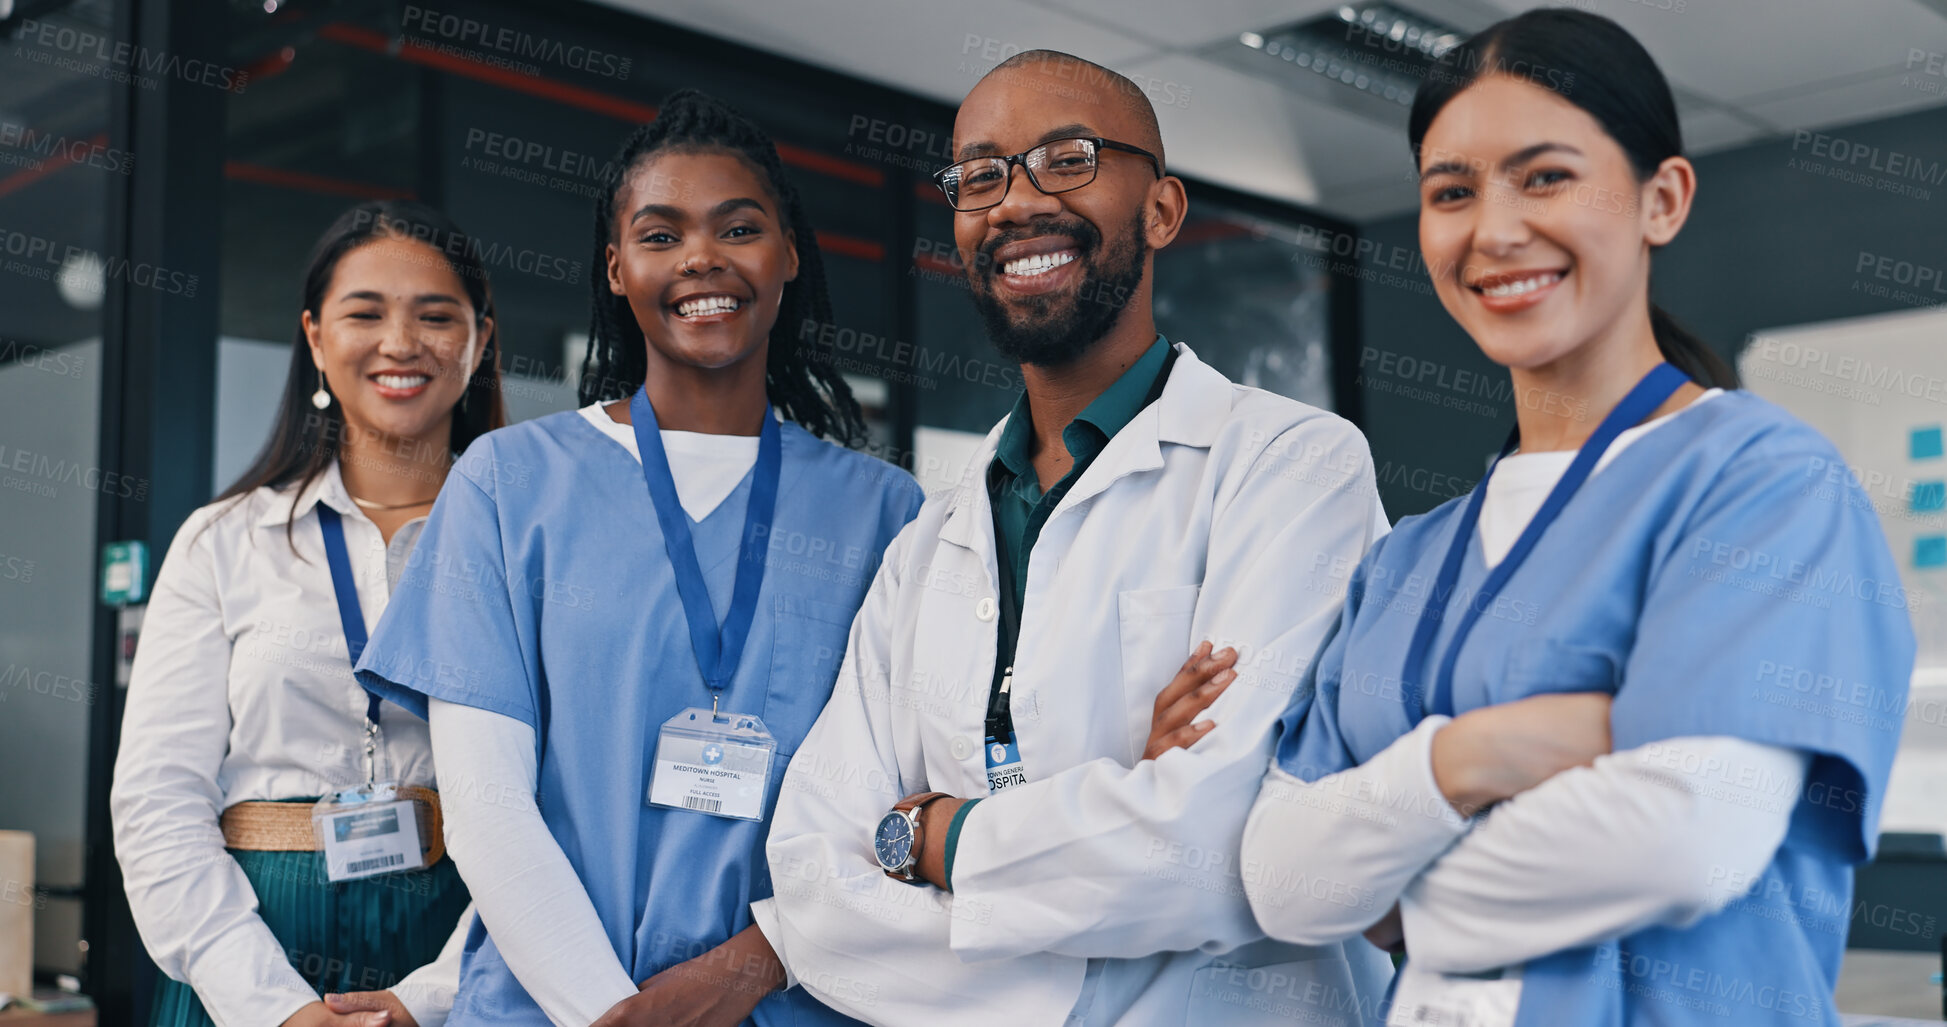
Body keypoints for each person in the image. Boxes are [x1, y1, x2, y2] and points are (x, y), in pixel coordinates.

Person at [1239, 10, 1915, 1026]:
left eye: (1544, 176)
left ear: (1663, 199)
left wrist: (1396, 891)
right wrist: (1466, 760)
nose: (1495, 229)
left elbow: (1687, 839)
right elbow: (1284, 884)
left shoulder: (1764, 486)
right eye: (1452, 191)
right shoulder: (1409, 561)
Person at [763, 50, 1396, 1026]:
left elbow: (1221, 847)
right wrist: (1119, 808)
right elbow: (813, 875)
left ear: (1163, 211)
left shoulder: (1290, 466)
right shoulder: (930, 539)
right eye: (980, 175)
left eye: (1068, 159)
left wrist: (932, 836)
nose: (1015, 201)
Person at [349, 90, 925, 1027]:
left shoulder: (884, 512)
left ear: (786, 255)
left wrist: (747, 969)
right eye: (661, 235)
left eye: (737, 227)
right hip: (550, 1006)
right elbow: (487, 805)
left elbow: (896, 807)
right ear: (616, 270)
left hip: (799, 999)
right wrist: (612, 1014)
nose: (701, 257)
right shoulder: (508, 482)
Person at [112, 200, 501, 1027]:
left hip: (465, 950)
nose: (400, 343)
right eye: (365, 313)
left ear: (481, 342)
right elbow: (158, 801)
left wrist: (431, 997)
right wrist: (270, 1006)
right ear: (317, 339)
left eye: (436, 316)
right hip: (246, 953)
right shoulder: (225, 540)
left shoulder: (527, 548)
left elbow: (566, 807)